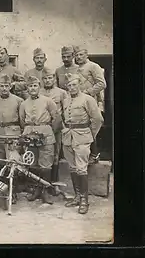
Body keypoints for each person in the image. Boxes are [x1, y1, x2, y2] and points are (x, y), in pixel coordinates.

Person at [61, 73, 103, 214]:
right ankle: (77, 196)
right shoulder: (66, 100)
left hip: (82, 137)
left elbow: (97, 119)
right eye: (69, 85)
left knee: (81, 169)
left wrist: (90, 134)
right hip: (68, 137)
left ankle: (85, 200)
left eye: (74, 84)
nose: (72, 87)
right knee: (72, 168)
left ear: (79, 85)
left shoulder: (88, 99)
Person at [19, 76, 61, 205]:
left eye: (35, 86)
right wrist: (29, 131)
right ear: (27, 88)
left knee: (46, 165)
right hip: (30, 134)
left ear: (39, 87)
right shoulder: (24, 103)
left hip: (46, 134)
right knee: (32, 163)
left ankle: (45, 192)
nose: (32, 88)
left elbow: (57, 119)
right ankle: (36, 191)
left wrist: (48, 131)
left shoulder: (48, 101)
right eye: (30, 86)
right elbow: (22, 120)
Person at [0, 73, 24, 204]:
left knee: (13, 163)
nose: (4, 88)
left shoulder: (18, 101)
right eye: (2, 86)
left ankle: (13, 192)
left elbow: (22, 120)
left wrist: (20, 136)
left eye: (7, 86)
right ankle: (2, 191)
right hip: (0, 134)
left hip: (13, 133)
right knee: (1, 162)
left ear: (10, 86)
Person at [74, 45, 106, 165]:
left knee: (92, 127)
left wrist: (88, 92)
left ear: (86, 55)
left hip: (91, 100)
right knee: (83, 127)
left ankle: (95, 154)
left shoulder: (93, 66)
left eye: (81, 54)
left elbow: (102, 84)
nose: (78, 57)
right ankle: (87, 154)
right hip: (80, 102)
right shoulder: (77, 69)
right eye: (76, 55)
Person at [40, 68, 68, 185]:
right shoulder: (39, 92)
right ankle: (41, 184)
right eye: (45, 78)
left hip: (56, 127)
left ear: (54, 79)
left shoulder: (62, 93)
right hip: (42, 128)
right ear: (42, 80)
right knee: (42, 154)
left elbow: (65, 111)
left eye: (50, 78)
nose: (48, 80)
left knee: (55, 154)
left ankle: (54, 183)